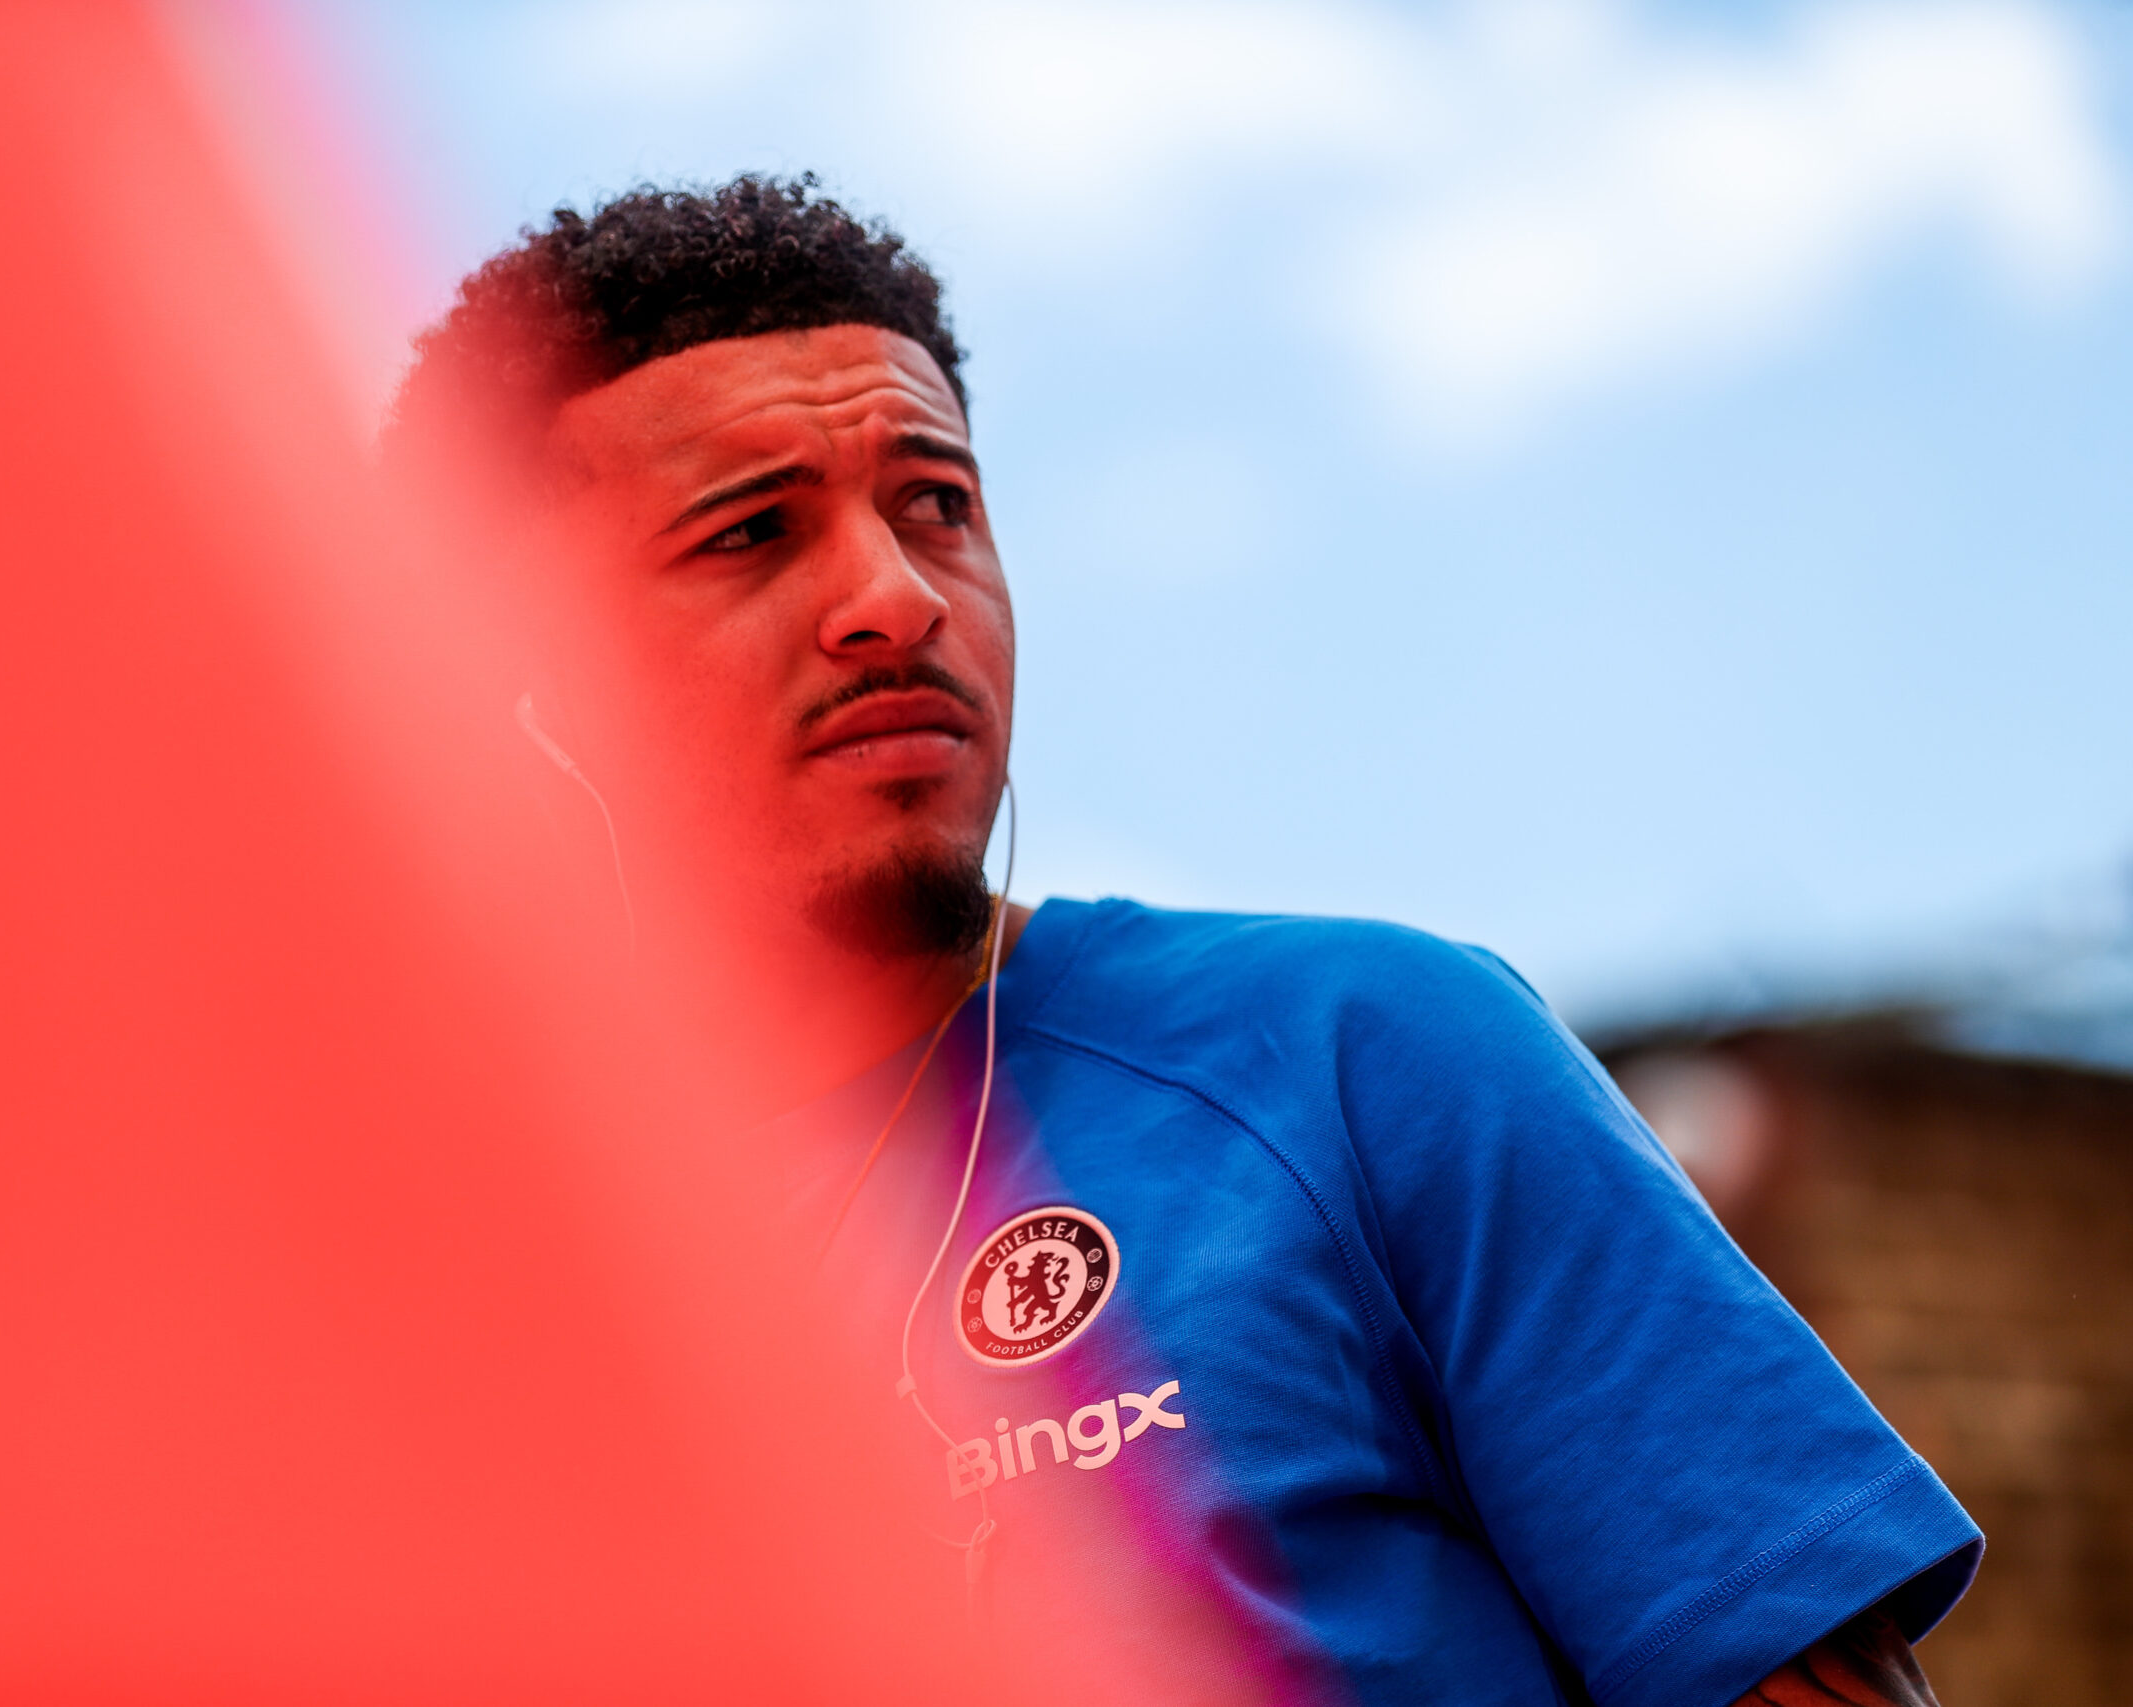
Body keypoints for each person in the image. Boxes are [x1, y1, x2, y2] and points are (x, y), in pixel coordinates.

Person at [383, 173, 1980, 1707]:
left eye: (936, 506)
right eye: (750, 534)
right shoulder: (456, 1306)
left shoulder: (1366, 1056)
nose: (894, 597)